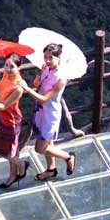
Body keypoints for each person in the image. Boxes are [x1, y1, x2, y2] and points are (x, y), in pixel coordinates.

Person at [17, 44, 76, 181]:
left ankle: (68, 157)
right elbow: (41, 89)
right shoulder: (45, 68)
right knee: (48, 144)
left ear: (59, 58)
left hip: (50, 115)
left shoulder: (61, 78)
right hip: (41, 112)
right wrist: (37, 84)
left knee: (40, 148)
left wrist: (27, 88)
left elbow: (44, 99)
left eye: (51, 57)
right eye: (45, 57)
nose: (47, 60)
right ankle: (51, 169)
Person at [0, 54, 29, 189]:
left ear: (19, 67)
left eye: (12, 66)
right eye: (6, 65)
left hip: (12, 121)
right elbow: (2, 92)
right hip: (4, 118)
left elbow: (4, 105)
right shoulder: (5, 76)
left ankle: (21, 165)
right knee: (7, 150)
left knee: (3, 151)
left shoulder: (18, 87)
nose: (7, 69)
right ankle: (12, 177)